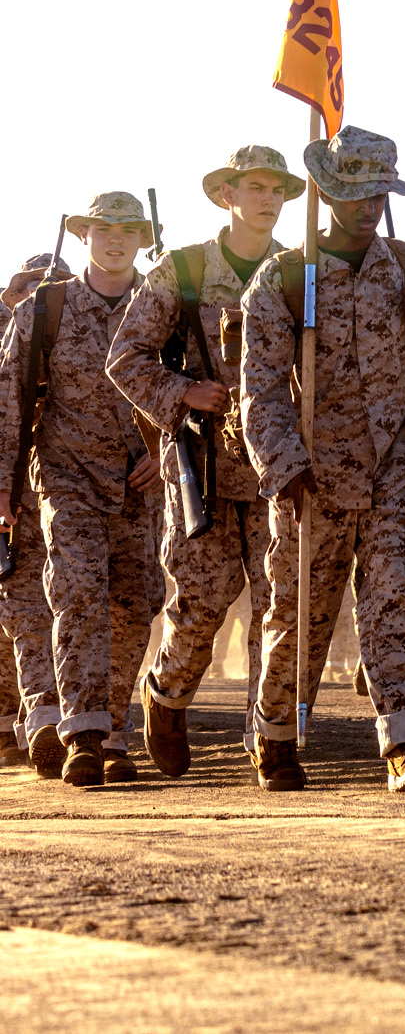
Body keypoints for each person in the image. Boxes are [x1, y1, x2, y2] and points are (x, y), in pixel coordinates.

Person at [241, 126, 405, 792]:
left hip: (397, 464)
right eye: (356, 193)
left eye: (379, 194)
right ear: (325, 191)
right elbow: (259, 387)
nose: (369, 206)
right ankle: (276, 735)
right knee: (301, 611)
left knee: (400, 597)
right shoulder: (285, 277)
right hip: (312, 470)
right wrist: (285, 467)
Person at [108, 145, 301, 776]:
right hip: (205, 465)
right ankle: (165, 696)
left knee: (281, 603)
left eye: (277, 189)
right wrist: (182, 392)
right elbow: (125, 359)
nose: (268, 200)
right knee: (202, 603)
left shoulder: (299, 271)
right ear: (227, 195)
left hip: (278, 464)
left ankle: (270, 737)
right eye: (255, 187)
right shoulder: (184, 270)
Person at [0, 195, 167, 786]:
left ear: (143, 239)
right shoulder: (45, 308)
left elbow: (195, 384)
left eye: (128, 230)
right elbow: (10, 400)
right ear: (83, 236)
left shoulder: (163, 304)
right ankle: (83, 735)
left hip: (139, 482)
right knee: (78, 593)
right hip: (66, 474)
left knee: (136, 605)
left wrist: (165, 452)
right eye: (103, 229)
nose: (115, 240)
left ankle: (113, 728)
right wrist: (3, 483)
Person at [0, 254, 64, 777]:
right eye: (30, 286)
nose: (37, 295)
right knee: (21, 609)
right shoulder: (8, 333)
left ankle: (46, 716)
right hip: (13, 495)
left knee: (55, 606)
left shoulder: (77, 333)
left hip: (65, 489)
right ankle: (28, 716)